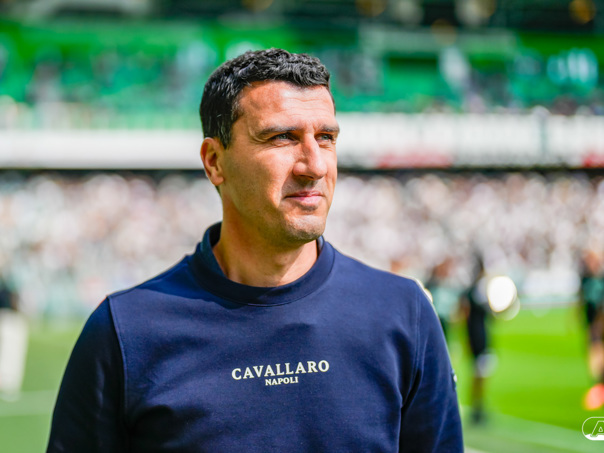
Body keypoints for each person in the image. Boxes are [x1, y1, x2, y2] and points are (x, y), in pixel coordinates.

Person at [47, 48, 462, 452]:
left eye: (326, 138)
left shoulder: (403, 313)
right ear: (214, 161)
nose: (315, 165)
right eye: (282, 137)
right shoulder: (124, 332)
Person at [579, 248, 604, 410]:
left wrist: (598, 324)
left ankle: (599, 388)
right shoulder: (585, 278)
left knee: (597, 355)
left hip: (599, 324)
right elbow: (581, 298)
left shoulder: (601, 279)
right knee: (593, 354)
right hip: (591, 322)